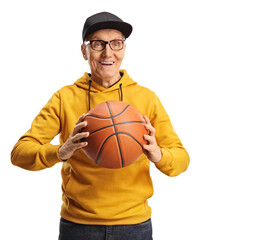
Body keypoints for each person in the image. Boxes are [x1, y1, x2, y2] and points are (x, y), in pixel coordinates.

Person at [11, 11, 190, 240]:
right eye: (97, 44)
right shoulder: (64, 98)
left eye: (116, 43)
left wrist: (157, 153)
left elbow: (181, 159)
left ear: (124, 49)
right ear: (84, 51)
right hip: (78, 226)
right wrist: (61, 151)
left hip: (135, 226)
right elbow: (19, 153)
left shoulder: (147, 98)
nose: (108, 53)